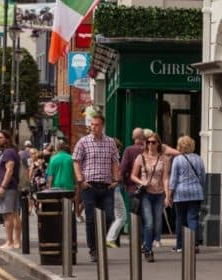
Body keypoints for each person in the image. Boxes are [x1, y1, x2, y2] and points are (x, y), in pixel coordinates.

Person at [72, 112, 121, 263]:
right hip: (89, 186)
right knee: (91, 219)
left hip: (107, 186)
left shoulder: (110, 142)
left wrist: (115, 179)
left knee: (109, 217)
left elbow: (114, 162)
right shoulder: (83, 142)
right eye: (92, 125)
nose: (93, 127)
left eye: (96, 125)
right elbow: (76, 161)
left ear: (102, 126)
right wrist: (81, 180)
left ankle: (101, 244)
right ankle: (93, 249)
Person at [131, 130, 169, 262]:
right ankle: (148, 249)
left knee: (158, 224)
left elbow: (165, 179)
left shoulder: (164, 159)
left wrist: (167, 196)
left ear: (158, 143)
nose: (151, 145)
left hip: (159, 195)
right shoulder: (140, 158)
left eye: (153, 142)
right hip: (146, 194)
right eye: (148, 142)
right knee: (149, 223)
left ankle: (146, 243)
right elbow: (133, 176)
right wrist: (142, 182)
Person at [168, 135, 205, 254]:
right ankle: (193, 245)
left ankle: (180, 245)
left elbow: (173, 179)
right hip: (196, 192)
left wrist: (169, 194)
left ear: (179, 146)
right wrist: (199, 188)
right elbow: (203, 177)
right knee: (193, 218)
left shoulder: (177, 159)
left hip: (180, 193)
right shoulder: (198, 158)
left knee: (180, 219)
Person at [0, 129, 21, 250]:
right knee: (14, 215)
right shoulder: (13, 151)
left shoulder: (8, 152)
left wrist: (2, 187)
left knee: (7, 215)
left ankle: (9, 242)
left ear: (7, 139)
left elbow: (9, 170)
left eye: (0, 137)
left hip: (8, 188)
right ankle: (17, 242)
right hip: (13, 187)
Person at [105, 138, 126, 248]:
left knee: (114, 215)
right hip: (115, 189)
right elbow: (118, 175)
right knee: (121, 216)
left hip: (108, 189)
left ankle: (110, 239)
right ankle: (110, 239)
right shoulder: (115, 159)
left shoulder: (105, 158)